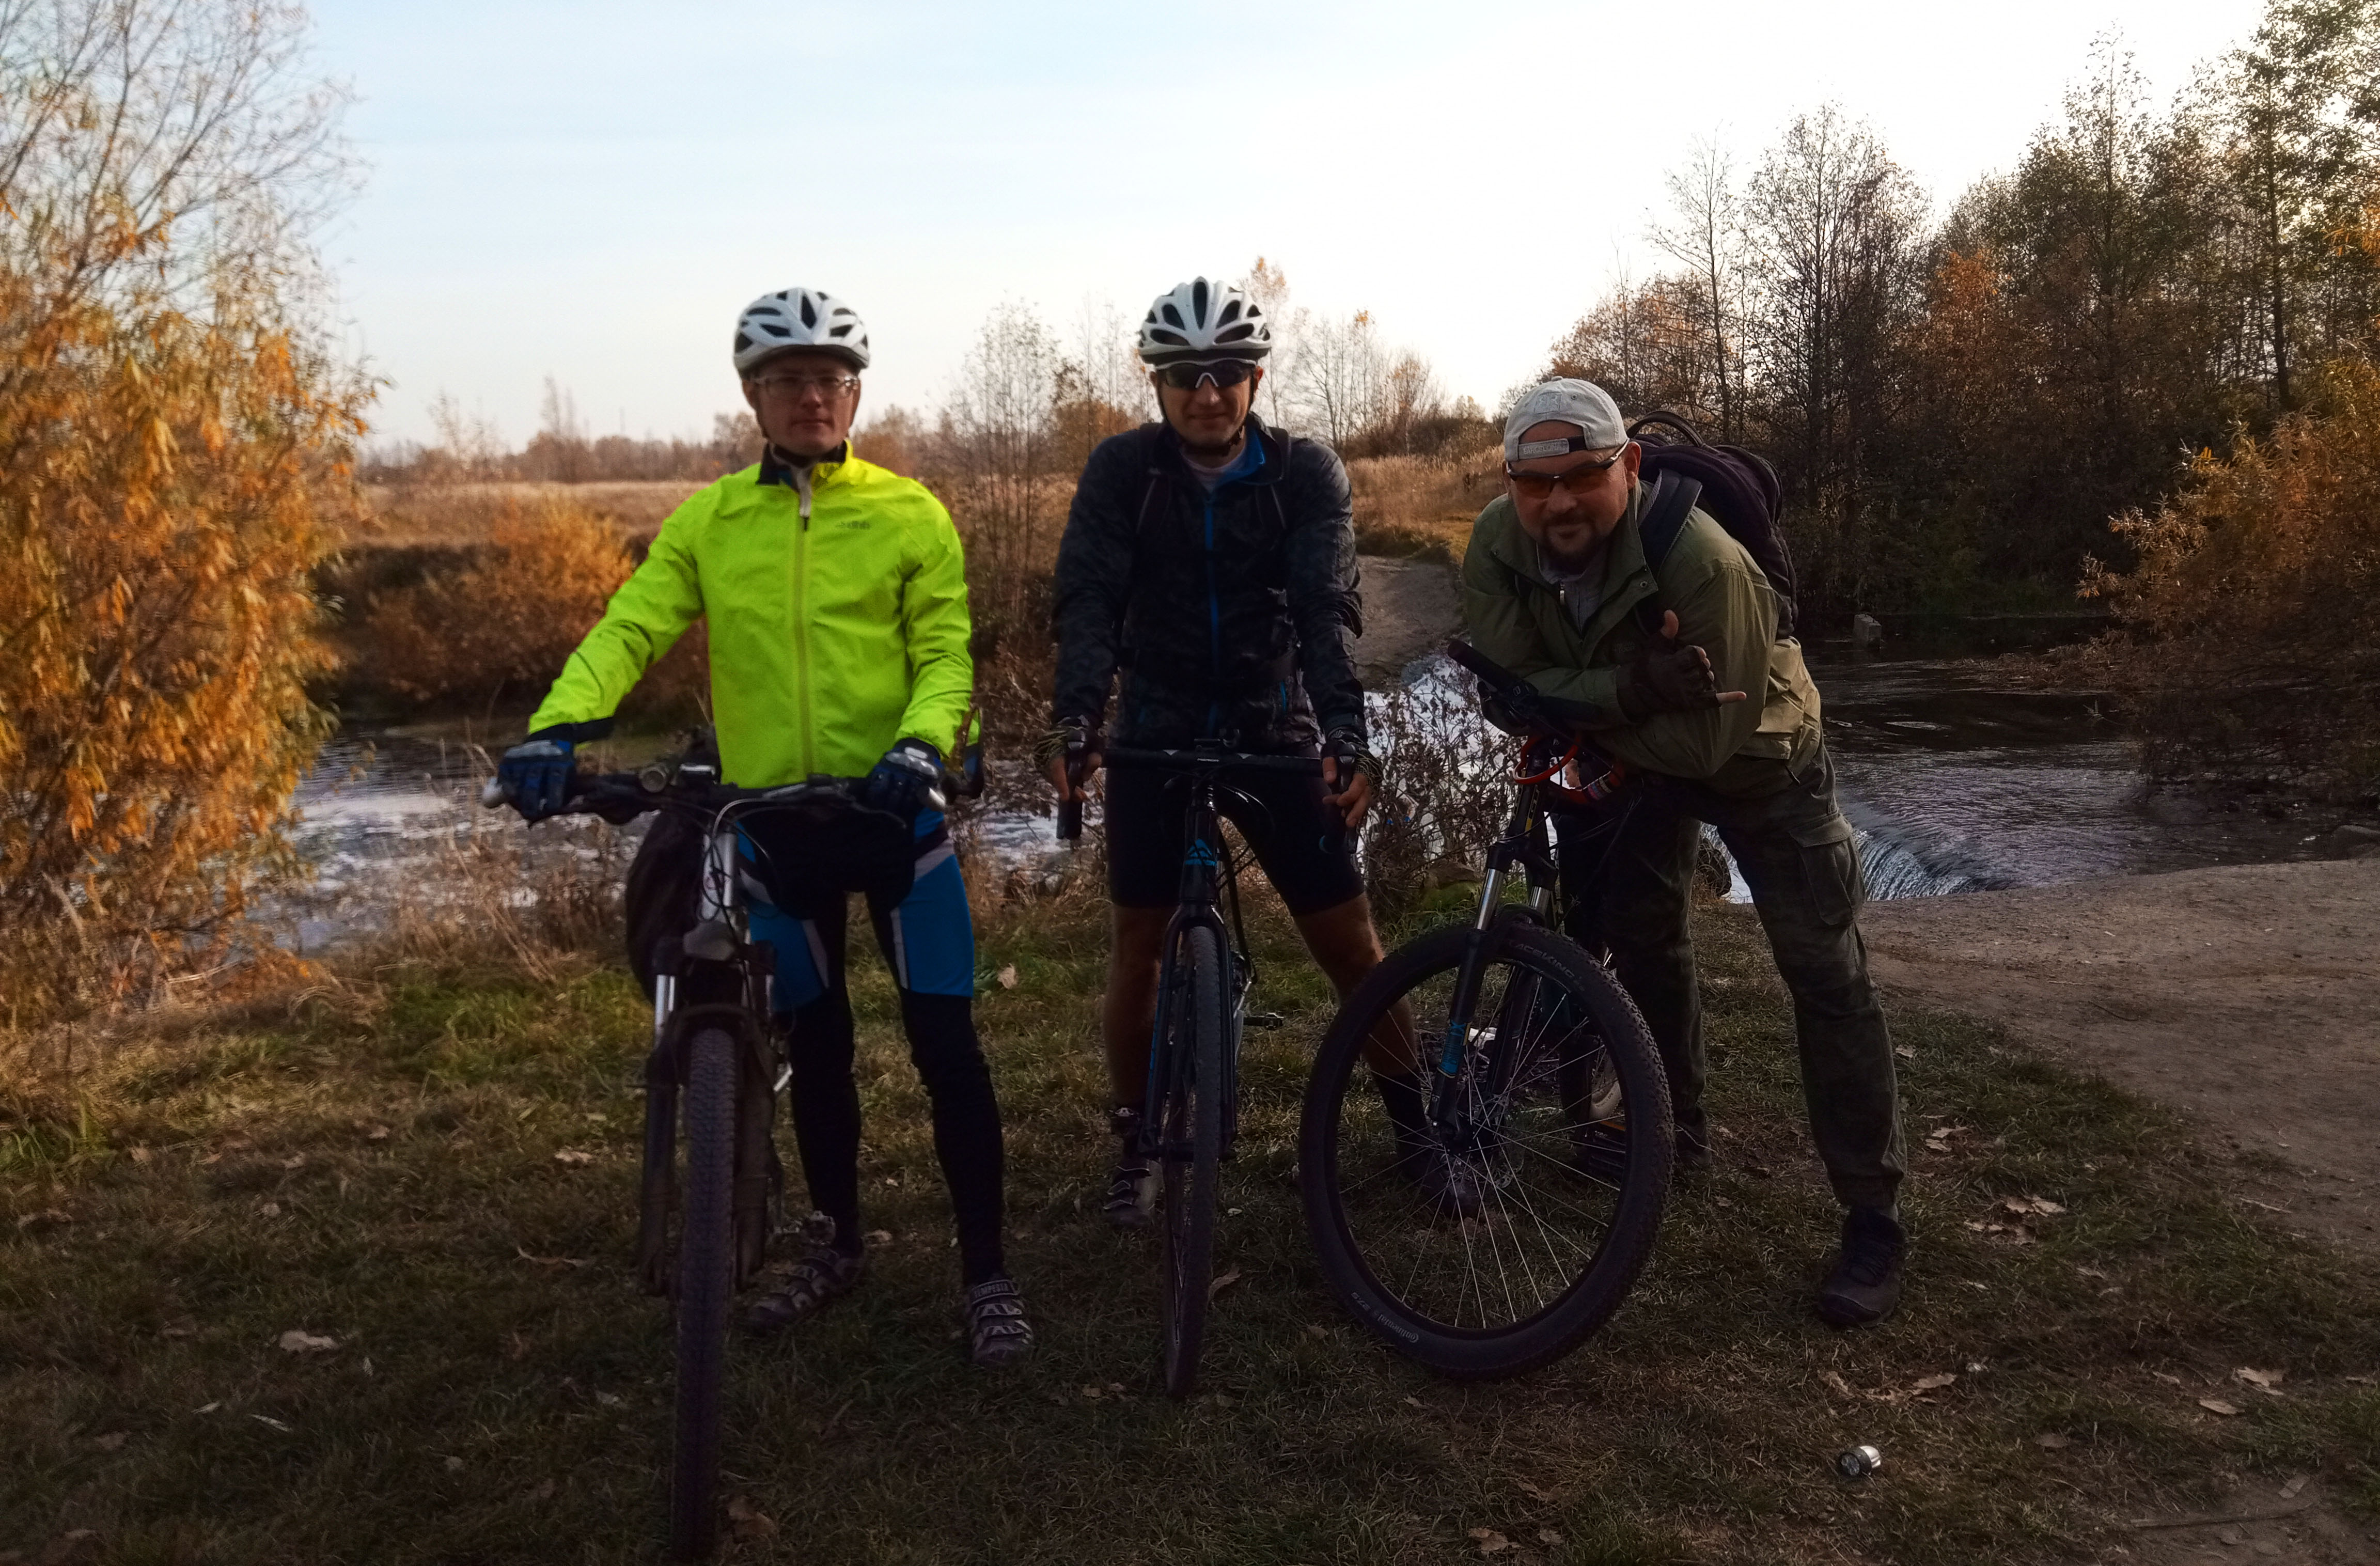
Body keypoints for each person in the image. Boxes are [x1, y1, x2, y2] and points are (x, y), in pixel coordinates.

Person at [493, 287, 1030, 1367]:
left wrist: (921, 746)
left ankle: (987, 1274)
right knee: (819, 1051)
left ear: (856, 394)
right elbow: (632, 627)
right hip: (775, 827)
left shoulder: (909, 514)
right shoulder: (710, 523)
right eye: (787, 380)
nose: (811, 397)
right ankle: (839, 1242)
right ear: (753, 396)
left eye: (830, 379)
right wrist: (556, 727)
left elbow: (945, 653)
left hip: (894, 814)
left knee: (947, 1049)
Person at [1459, 377, 1908, 1327]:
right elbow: (1508, 685)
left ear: (1627, 467)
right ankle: (1673, 1134)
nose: (1559, 502)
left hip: (1762, 763)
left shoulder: (1704, 563)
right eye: (1536, 484)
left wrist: (1580, 706)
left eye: (1583, 476)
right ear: (1509, 485)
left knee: (1826, 973)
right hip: (1632, 754)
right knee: (1644, 943)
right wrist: (1631, 688)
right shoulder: (1499, 544)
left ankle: (1873, 1215)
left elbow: (1705, 743)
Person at [1044, 274, 1449, 1227]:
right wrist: (1077, 720)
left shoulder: (1305, 475)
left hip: (1272, 721)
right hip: (1155, 722)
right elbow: (1090, 600)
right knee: (1138, 949)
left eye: (1226, 371)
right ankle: (1138, 1141)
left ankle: (1419, 1130)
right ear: (1156, 382)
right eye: (1184, 373)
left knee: (1350, 945)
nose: (1207, 391)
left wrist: (1346, 735)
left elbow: (1322, 612)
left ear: (1256, 379)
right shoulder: (1122, 472)